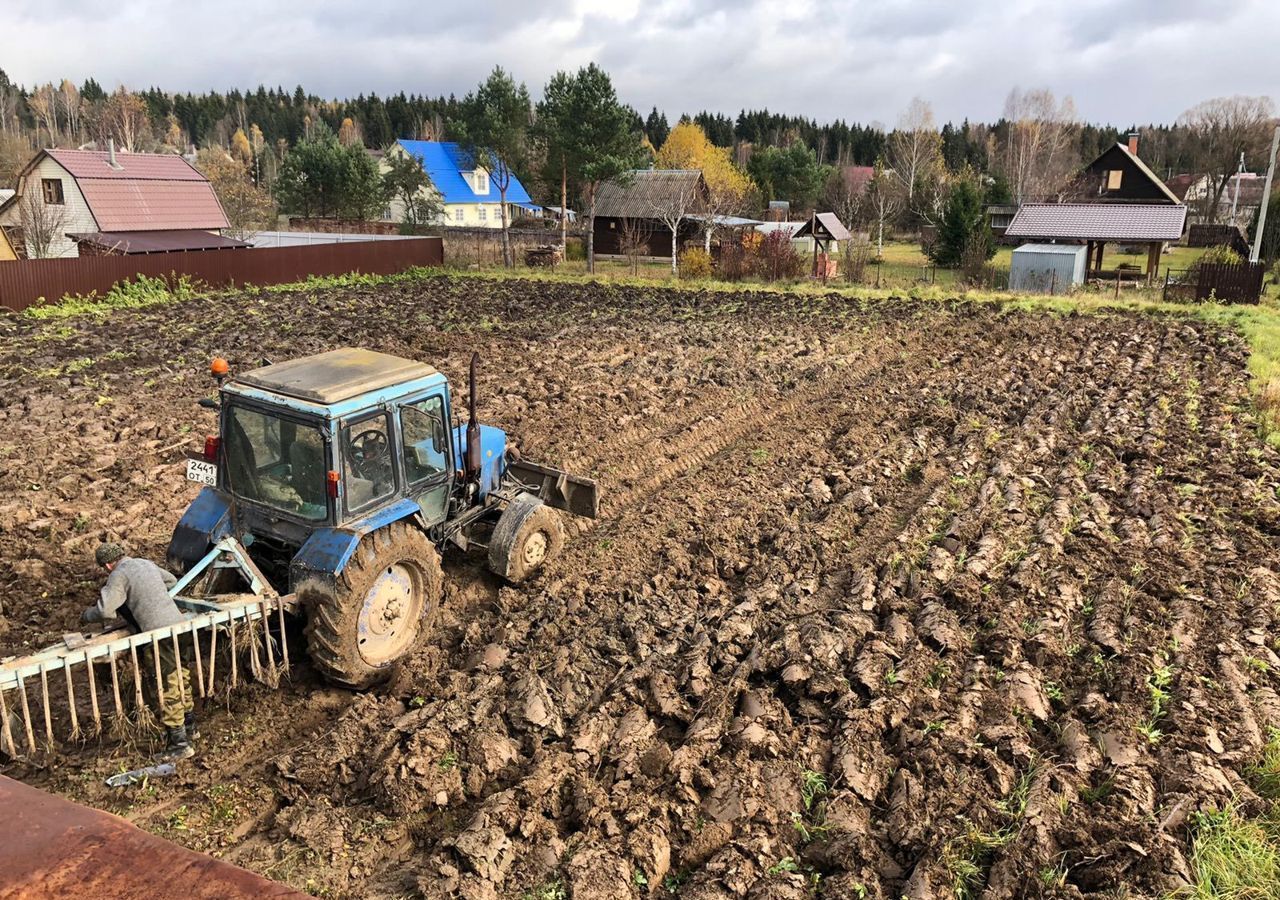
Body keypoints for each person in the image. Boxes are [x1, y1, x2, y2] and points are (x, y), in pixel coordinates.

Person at [81, 543, 196, 760]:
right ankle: (190, 726)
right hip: (179, 627)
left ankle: (179, 744)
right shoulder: (145, 563)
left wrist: (87, 615)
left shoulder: (118, 575)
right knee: (181, 675)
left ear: (107, 564)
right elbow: (171, 581)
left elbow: (106, 610)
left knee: (166, 683)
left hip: (158, 633)